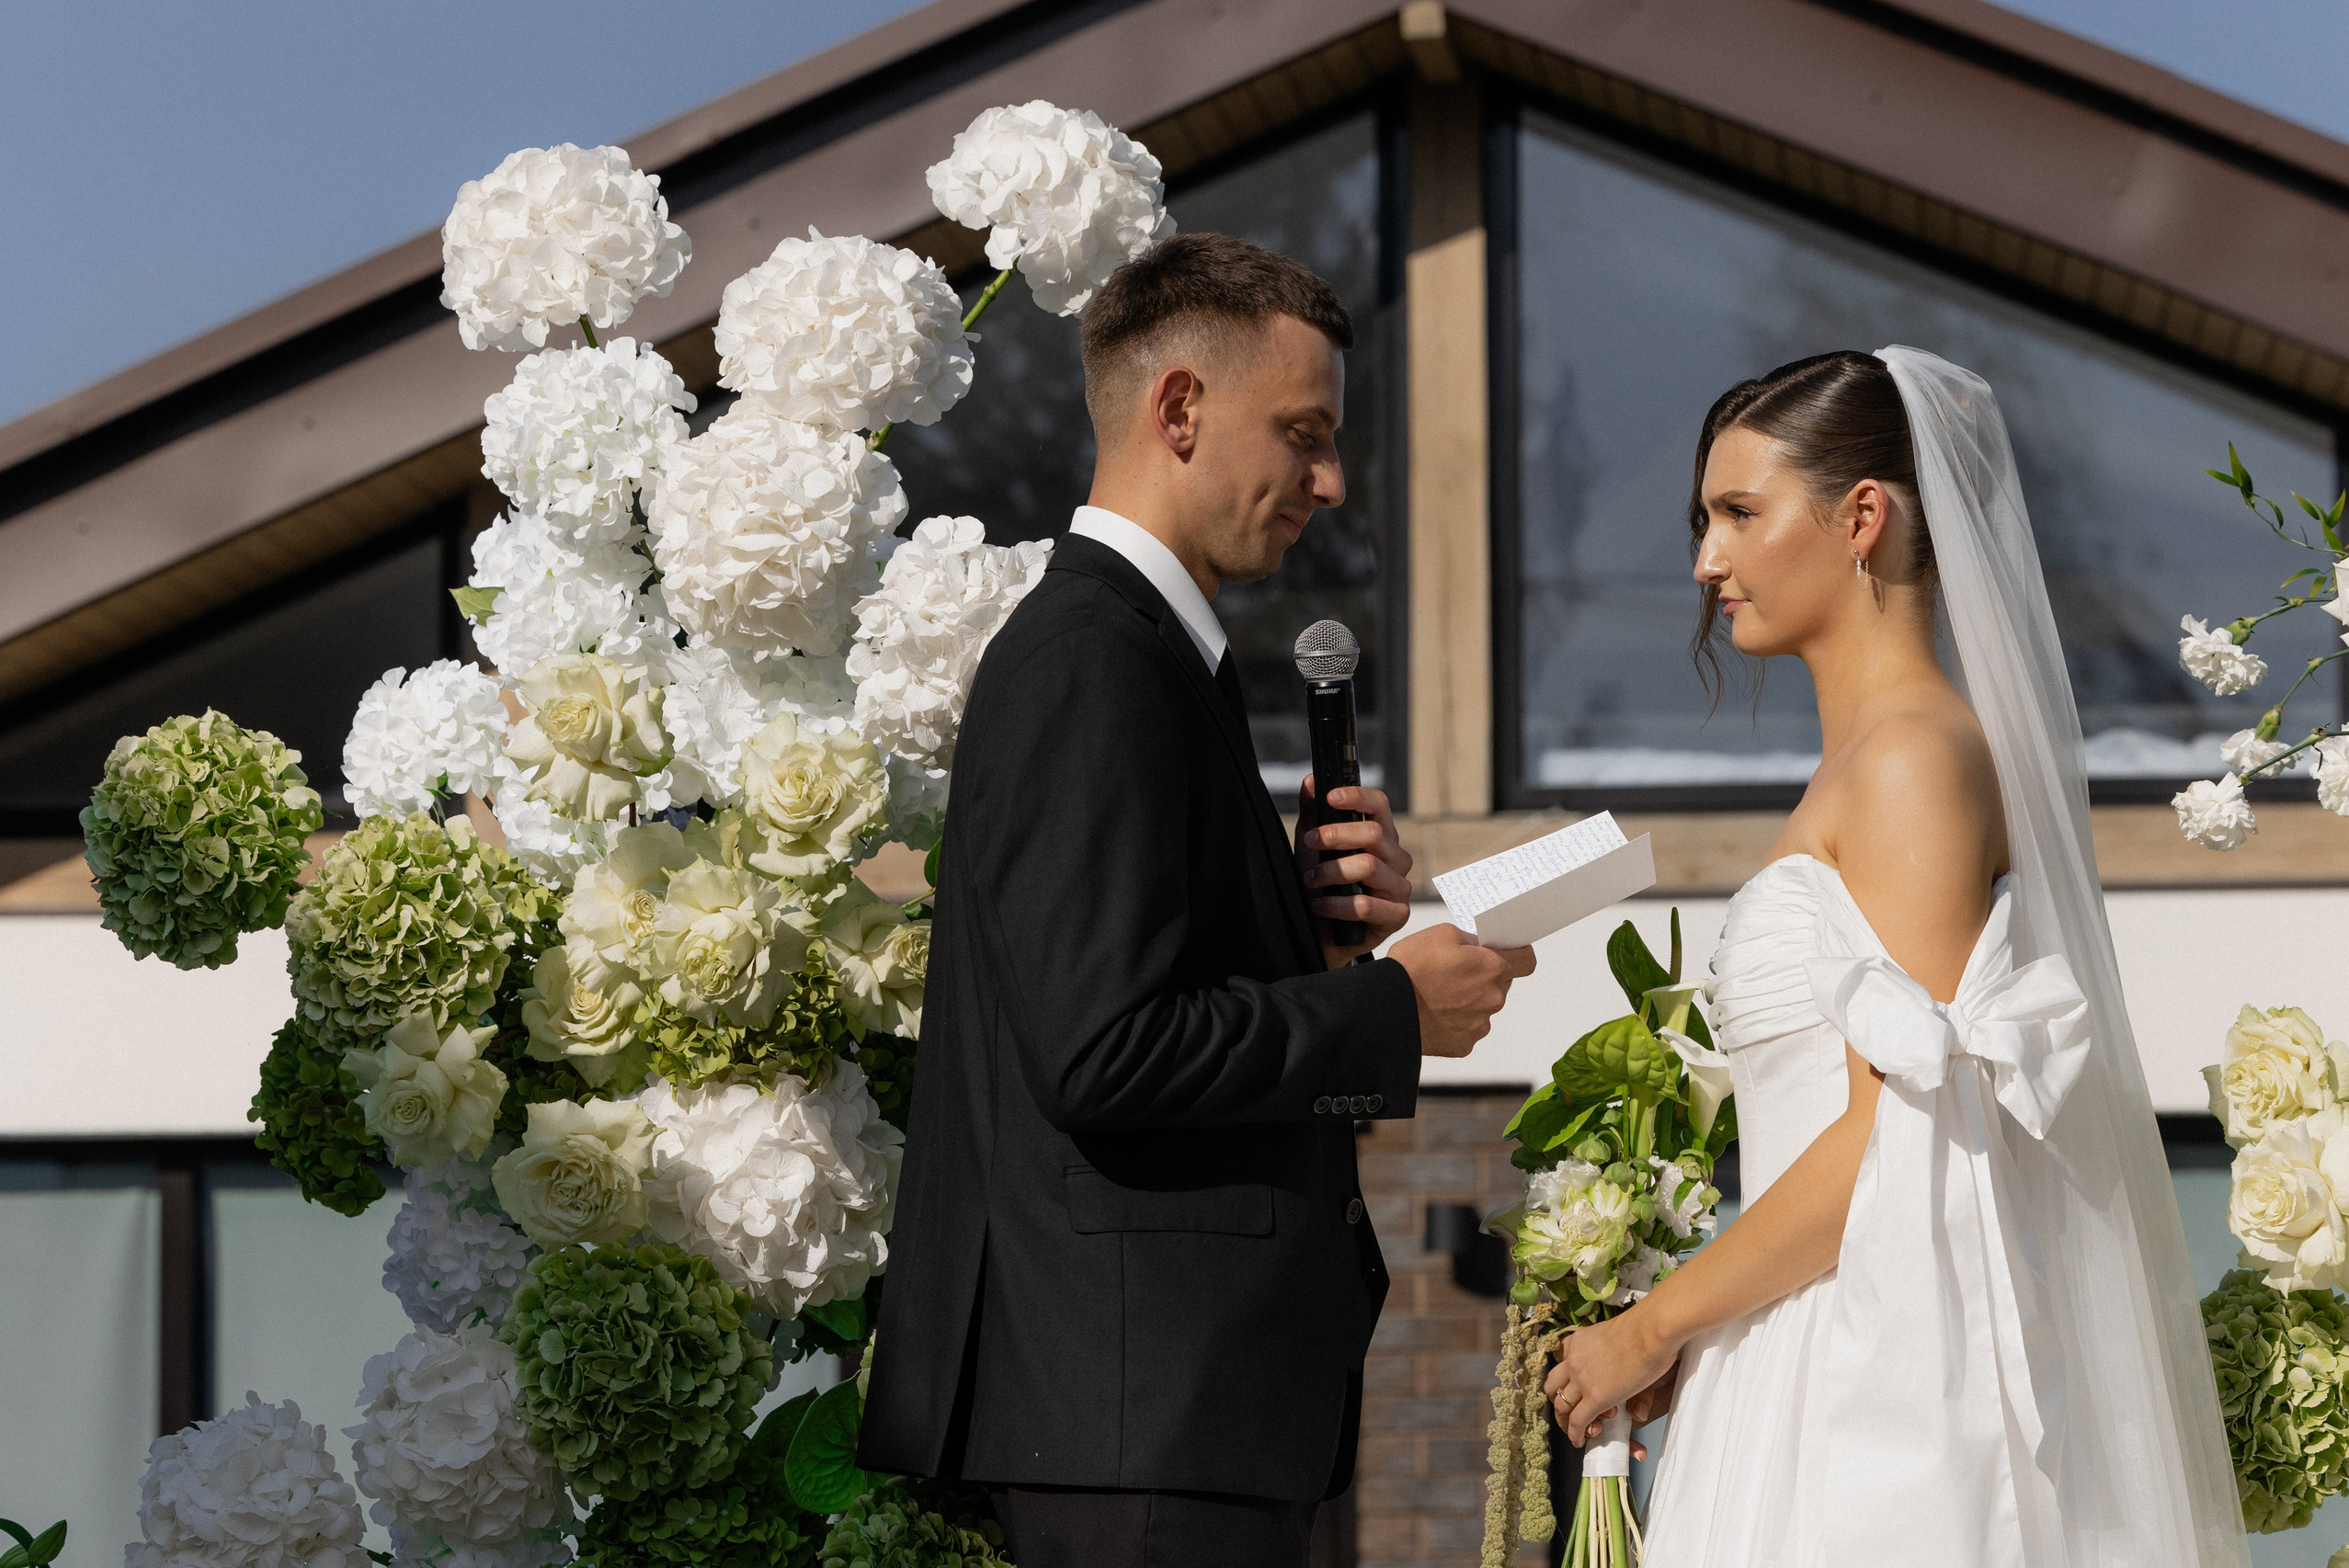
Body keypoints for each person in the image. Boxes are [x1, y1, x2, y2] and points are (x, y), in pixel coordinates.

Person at [858, 232, 1535, 1568]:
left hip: (1163, 1415)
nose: (1330, 482)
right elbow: (1107, 1051)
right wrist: (1391, 1012)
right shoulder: (1093, 662)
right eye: (1304, 433)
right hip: (1138, 1420)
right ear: (1179, 408)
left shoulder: (1154, 657)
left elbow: (1126, 995)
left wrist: (1316, 936)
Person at [1542, 349, 2247, 1565]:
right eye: (1705, 521)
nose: (1706, 562)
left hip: (1867, 1389)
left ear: (1861, 516)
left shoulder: (1912, 761)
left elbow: (1899, 1133)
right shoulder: (1868, 758)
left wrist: (1647, 1329)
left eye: (1739, 514)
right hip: (1796, 1342)